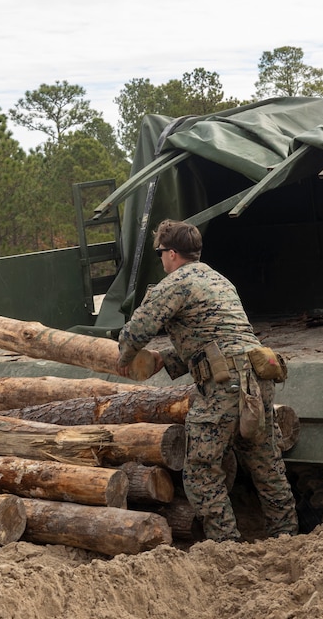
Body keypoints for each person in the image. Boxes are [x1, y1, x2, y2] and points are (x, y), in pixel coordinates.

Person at [115, 219, 297, 542]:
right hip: (258, 378)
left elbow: (137, 329)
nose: (161, 260)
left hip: (224, 384)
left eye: (160, 253)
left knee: (200, 471)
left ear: (171, 253)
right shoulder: (220, 280)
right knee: (267, 464)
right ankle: (288, 537)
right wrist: (164, 359)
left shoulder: (176, 283)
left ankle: (226, 546)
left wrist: (124, 355)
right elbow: (217, 335)